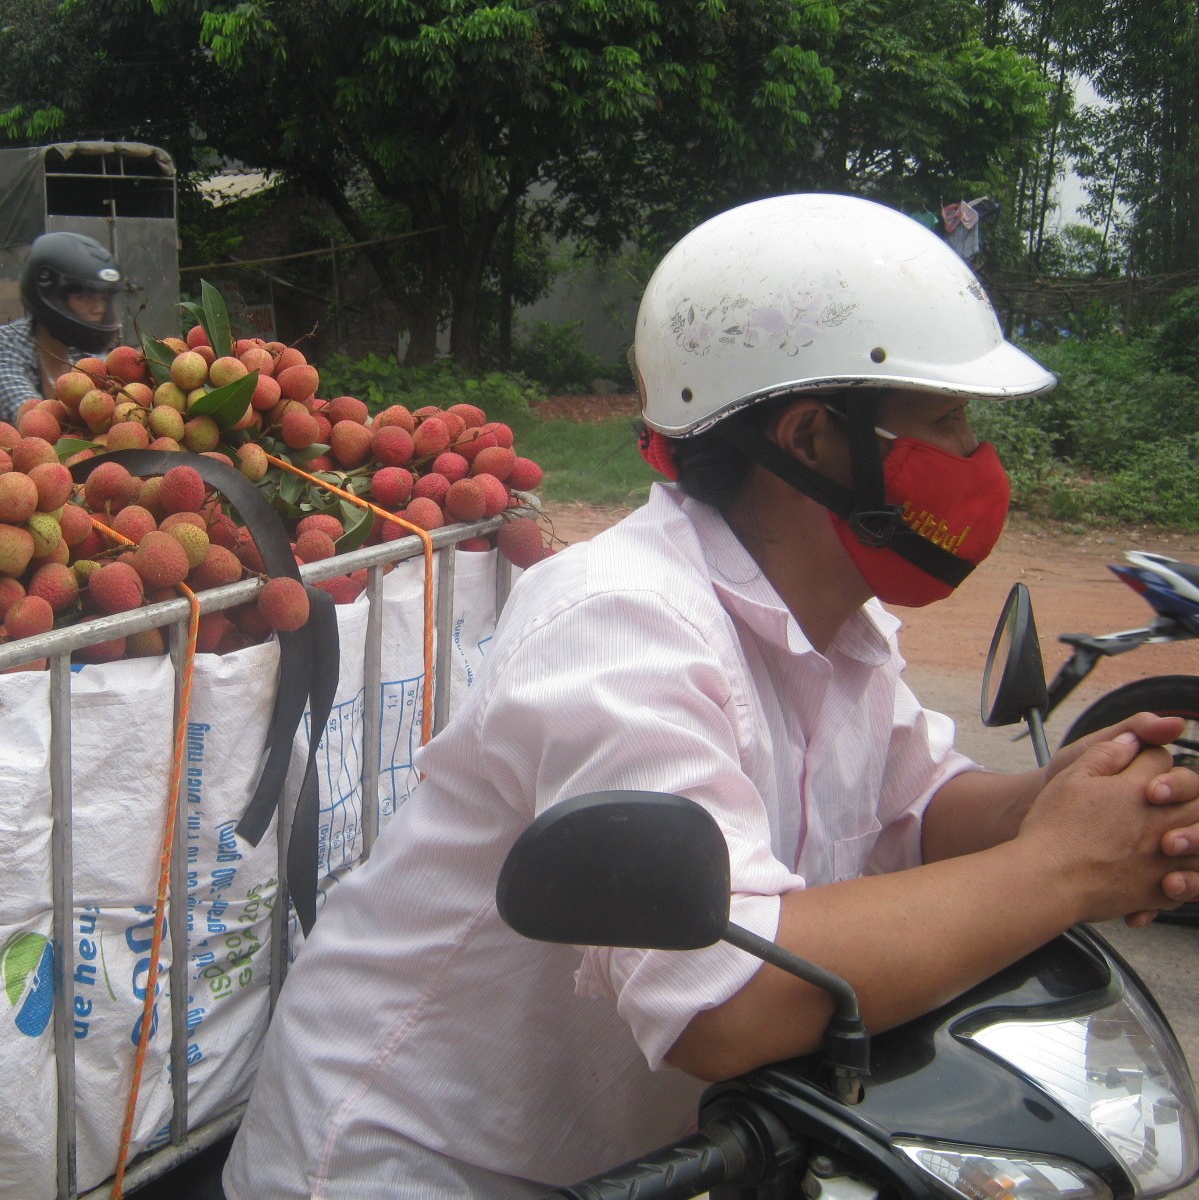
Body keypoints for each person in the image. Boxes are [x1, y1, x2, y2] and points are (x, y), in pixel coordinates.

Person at [221, 193, 1199, 1198]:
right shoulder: (620, 622)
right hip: (419, 1171)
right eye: (945, 419)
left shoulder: (835, 625)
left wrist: (1060, 801)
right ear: (814, 438)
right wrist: (1064, 867)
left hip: (640, 1163)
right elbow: (723, 1002)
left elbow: (917, 808)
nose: (976, 461)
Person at [0, 231, 123, 426]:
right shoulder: (3, 344)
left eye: (103, 298)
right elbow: (37, 422)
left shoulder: (82, 354)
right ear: (52, 295)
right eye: (86, 296)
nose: (99, 308)